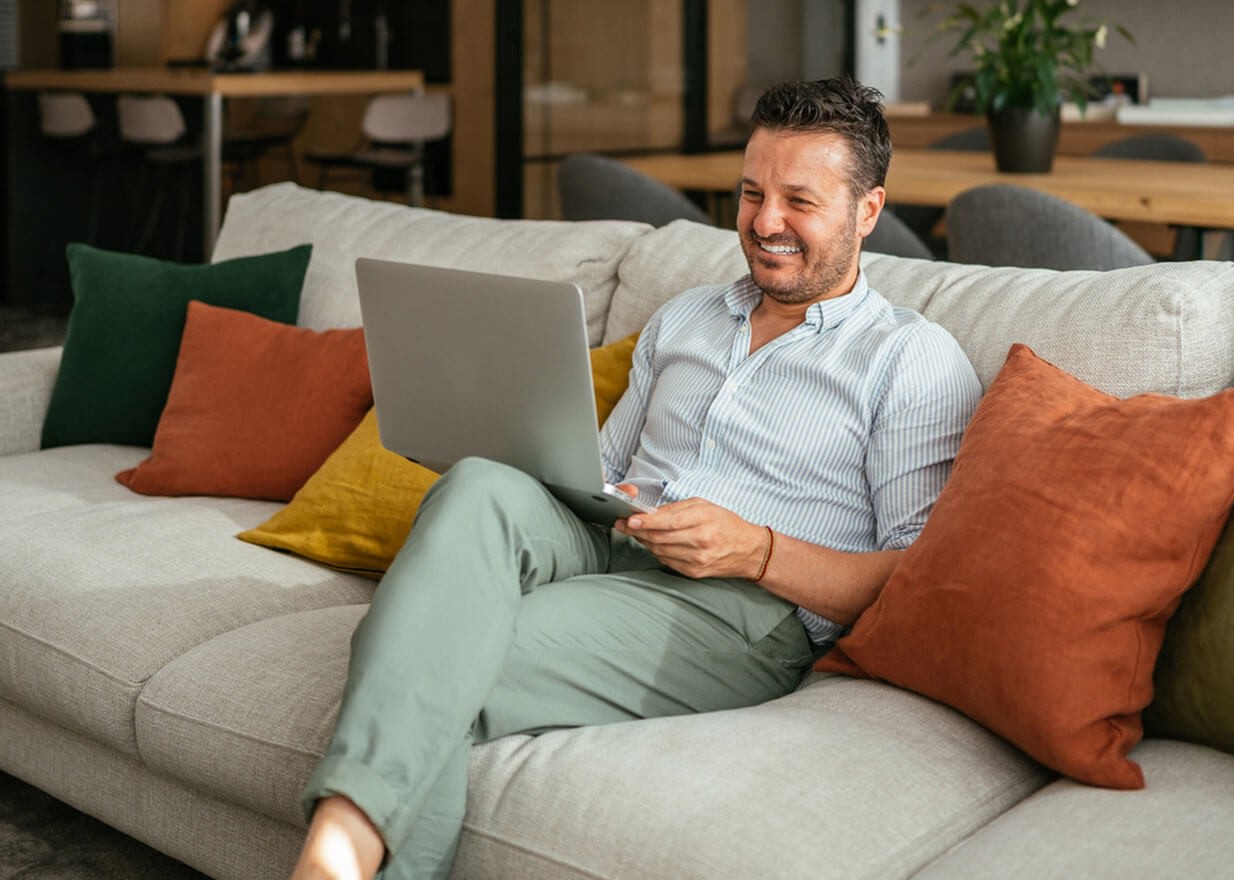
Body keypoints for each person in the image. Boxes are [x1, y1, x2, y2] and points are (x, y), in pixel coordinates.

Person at [290, 76, 983, 880]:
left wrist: (755, 550)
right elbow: (602, 474)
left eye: (800, 201)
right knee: (481, 481)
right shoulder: (685, 317)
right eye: (751, 193)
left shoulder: (910, 359)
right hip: (615, 539)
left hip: (740, 613)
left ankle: (331, 858)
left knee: (424, 650)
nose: (765, 224)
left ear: (867, 210)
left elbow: (917, 581)